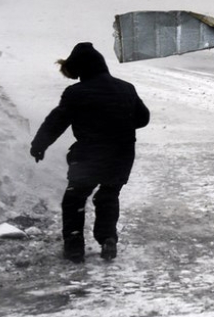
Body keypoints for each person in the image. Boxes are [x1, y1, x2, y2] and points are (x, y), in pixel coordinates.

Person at [30, 42, 150, 263]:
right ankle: (108, 239)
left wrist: (39, 145)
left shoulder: (76, 93)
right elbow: (143, 118)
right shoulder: (126, 88)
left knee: (74, 198)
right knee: (108, 196)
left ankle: (74, 246)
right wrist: (119, 122)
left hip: (89, 154)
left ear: (80, 68)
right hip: (121, 154)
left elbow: (57, 121)